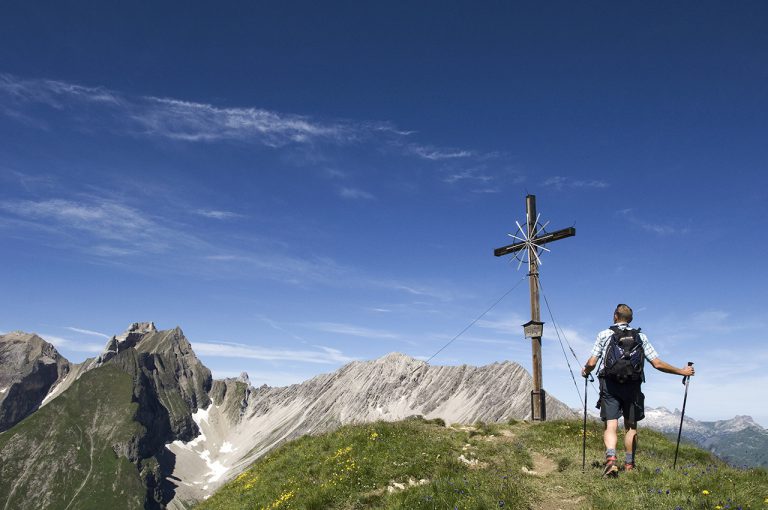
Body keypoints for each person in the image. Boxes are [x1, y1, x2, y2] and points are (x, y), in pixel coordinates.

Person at [581, 304, 695, 477]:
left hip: (609, 384)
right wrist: (682, 371)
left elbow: (591, 363)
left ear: (615, 316)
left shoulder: (604, 334)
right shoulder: (640, 337)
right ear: (631, 319)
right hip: (633, 386)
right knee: (631, 427)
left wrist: (585, 371)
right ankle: (629, 465)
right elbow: (657, 363)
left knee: (611, 424)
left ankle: (611, 461)